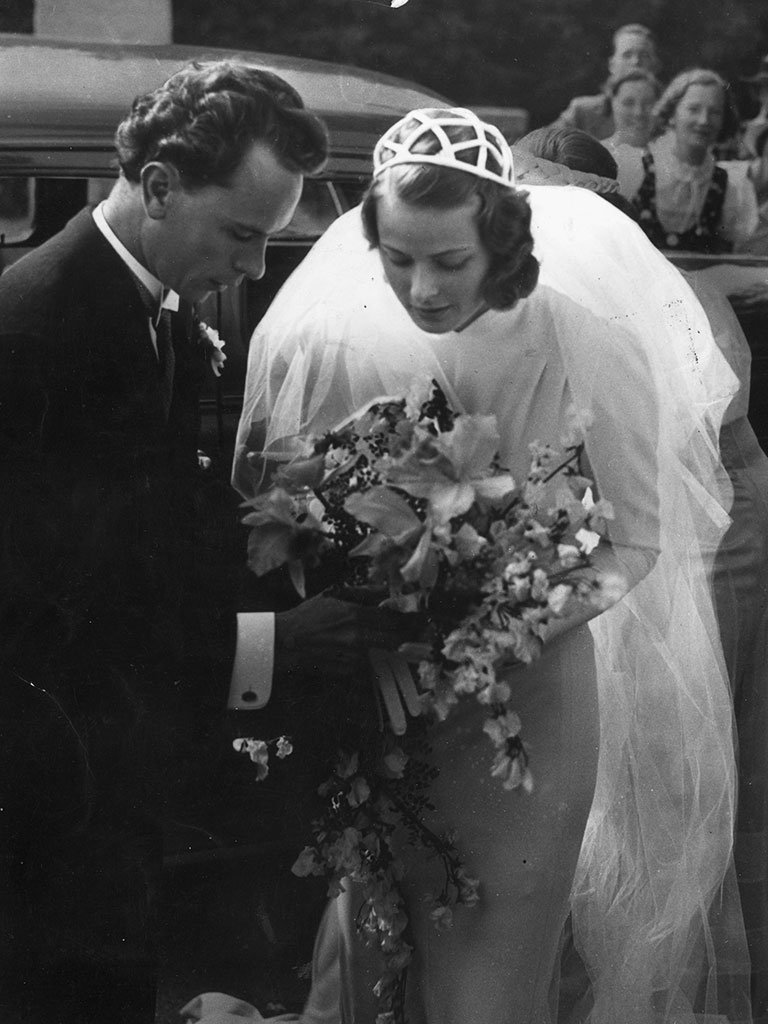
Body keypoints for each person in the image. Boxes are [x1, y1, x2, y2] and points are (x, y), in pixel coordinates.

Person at [216, 108, 750, 1024]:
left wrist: (479, 639)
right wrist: (364, 618)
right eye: (397, 258)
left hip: (530, 704)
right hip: (379, 700)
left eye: (449, 262)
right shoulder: (335, 337)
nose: (419, 288)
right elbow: (295, 517)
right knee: (377, 959)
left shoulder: (587, 337)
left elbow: (637, 543)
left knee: (490, 986)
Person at [0, 60, 414, 1024]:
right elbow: (41, 613)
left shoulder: (142, 305)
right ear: (157, 188)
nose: (257, 268)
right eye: (242, 234)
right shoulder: (33, 330)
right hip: (48, 789)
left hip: (112, 777)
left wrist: (296, 515)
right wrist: (279, 640)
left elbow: (142, 527)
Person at [615, 68, 758, 253]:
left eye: (715, 112)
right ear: (672, 114)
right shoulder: (635, 169)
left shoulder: (729, 186)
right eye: (693, 109)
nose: (704, 120)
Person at [552, 23, 661, 141]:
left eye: (644, 55)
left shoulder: (670, 112)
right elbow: (541, 146)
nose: (635, 62)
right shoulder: (583, 112)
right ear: (612, 65)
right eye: (627, 55)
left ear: (655, 65)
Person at [602, 68, 661, 153]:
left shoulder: (671, 157)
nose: (639, 112)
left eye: (648, 103)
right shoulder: (596, 155)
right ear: (612, 104)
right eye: (628, 103)